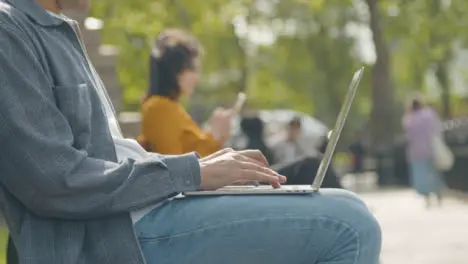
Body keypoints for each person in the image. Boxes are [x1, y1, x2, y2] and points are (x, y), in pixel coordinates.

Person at [0, 1, 381, 264]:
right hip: (112, 235)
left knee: (347, 205)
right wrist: (193, 170)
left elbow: (114, 158)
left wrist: (205, 163)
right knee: (348, 225)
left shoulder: (58, 31)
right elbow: (54, 181)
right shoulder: (9, 30)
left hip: (145, 210)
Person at [137, 29, 232, 157]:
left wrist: (217, 136)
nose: (196, 77)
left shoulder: (172, 107)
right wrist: (213, 135)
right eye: (192, 69)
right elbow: (175, 167)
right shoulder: (159, 107)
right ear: (175, 69)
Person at [403, 97, 445, 208]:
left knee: (421, 175)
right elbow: (437, 129)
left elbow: (408, 136)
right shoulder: (429, 115)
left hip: (416, 152)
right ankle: (438, 192)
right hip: (431, 149)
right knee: (434, 173)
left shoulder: (409, 119)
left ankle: (427, 197)